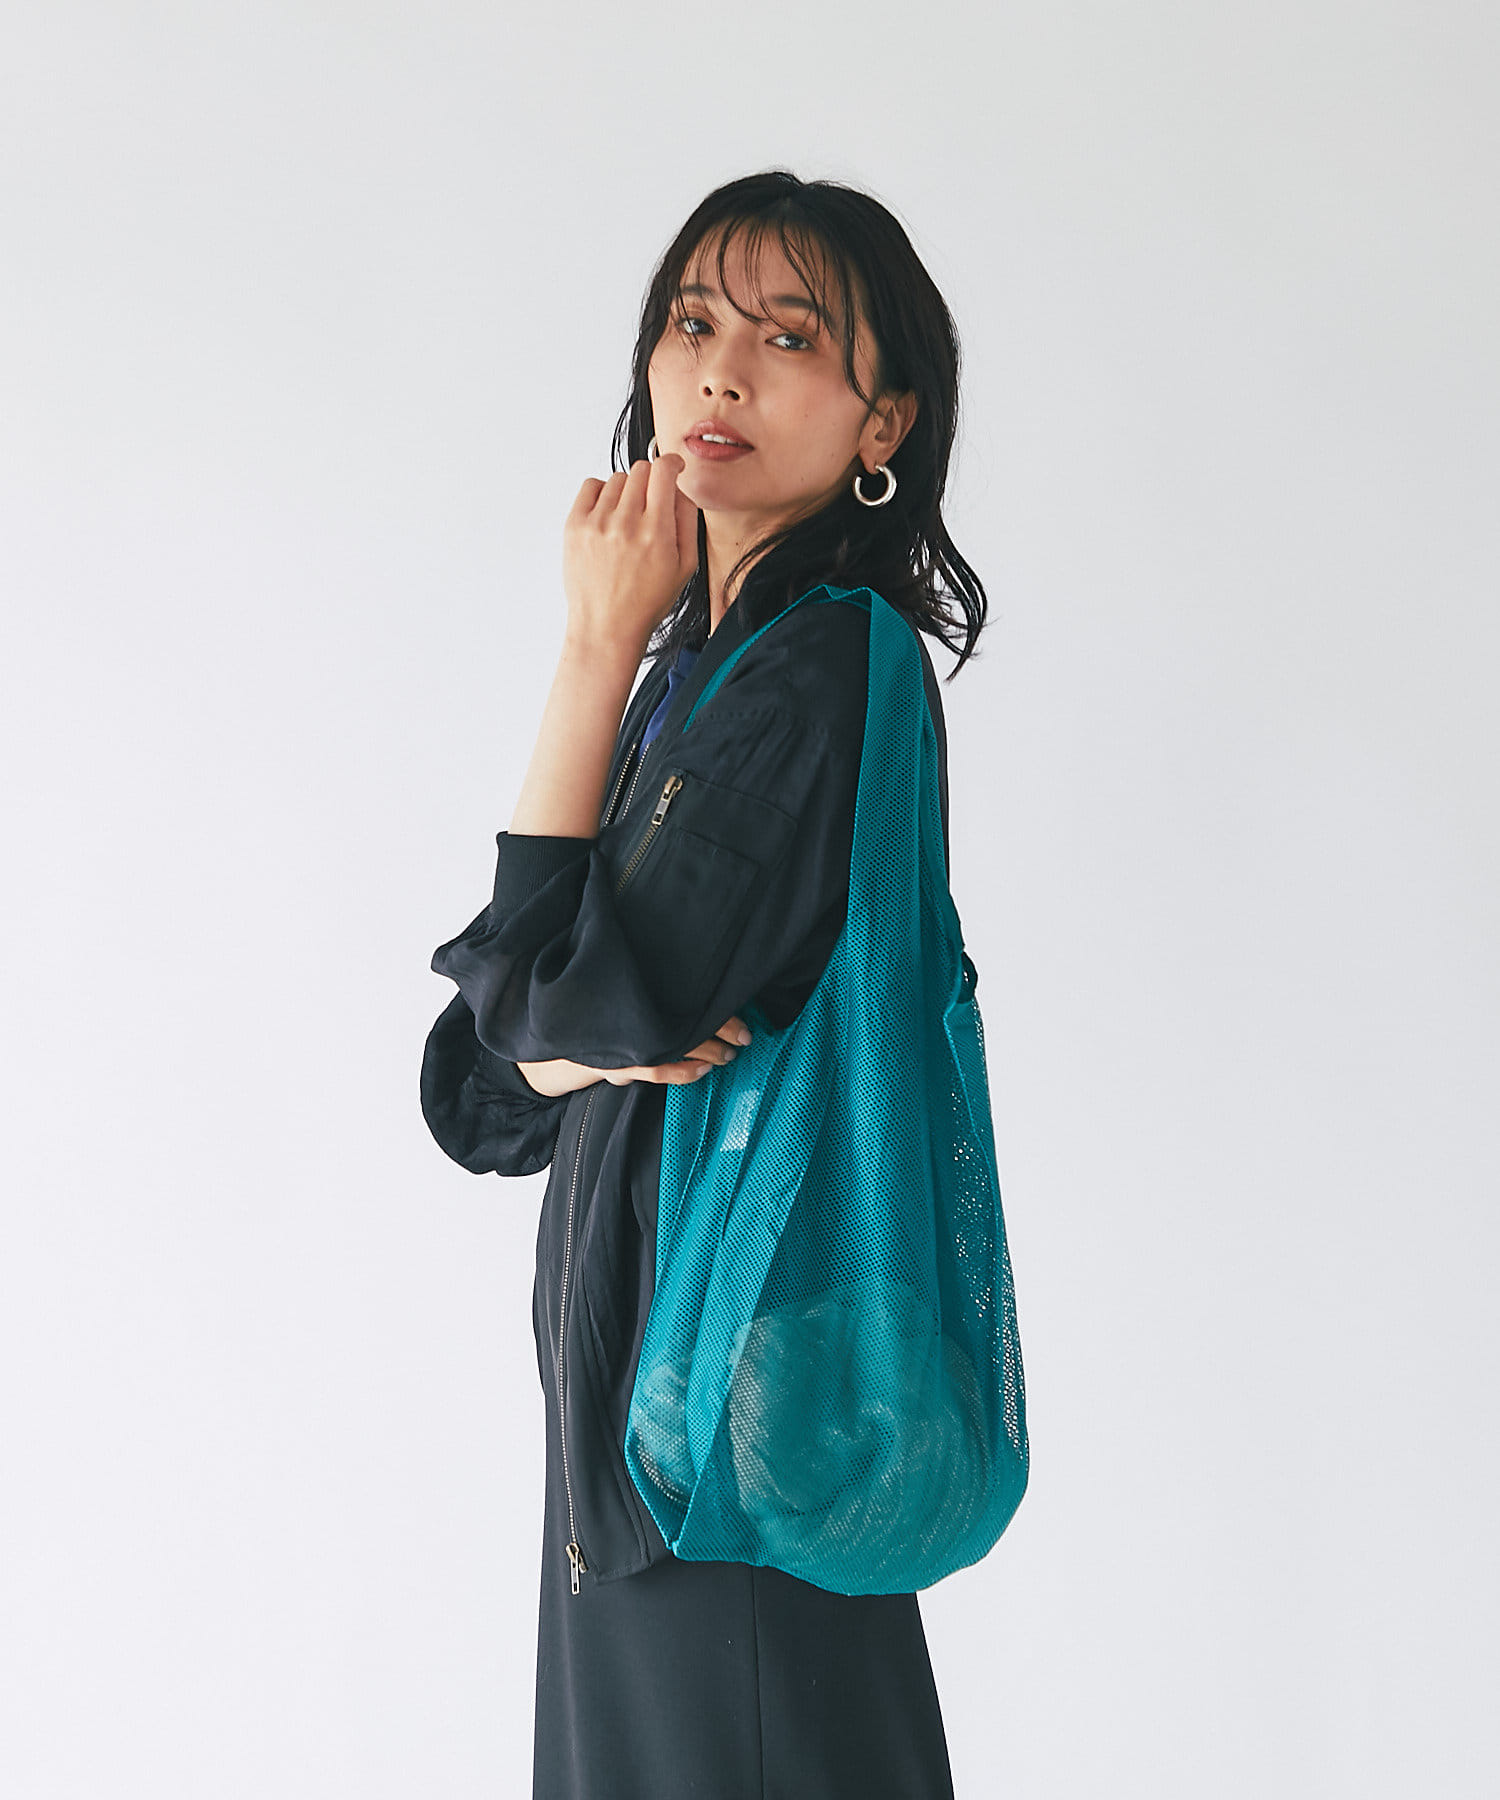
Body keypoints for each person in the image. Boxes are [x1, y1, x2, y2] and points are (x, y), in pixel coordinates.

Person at [421, 169, 991, 1800]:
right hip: (646, 1450)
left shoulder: (825, 664)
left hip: (723, 1448)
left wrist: (589, 650)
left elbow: (577, 1010)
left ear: (884, 420)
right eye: (691, 323)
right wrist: (559, 1038)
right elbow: (483, 1091)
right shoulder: (704, 675)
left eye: (789, 337)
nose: (719, 371)